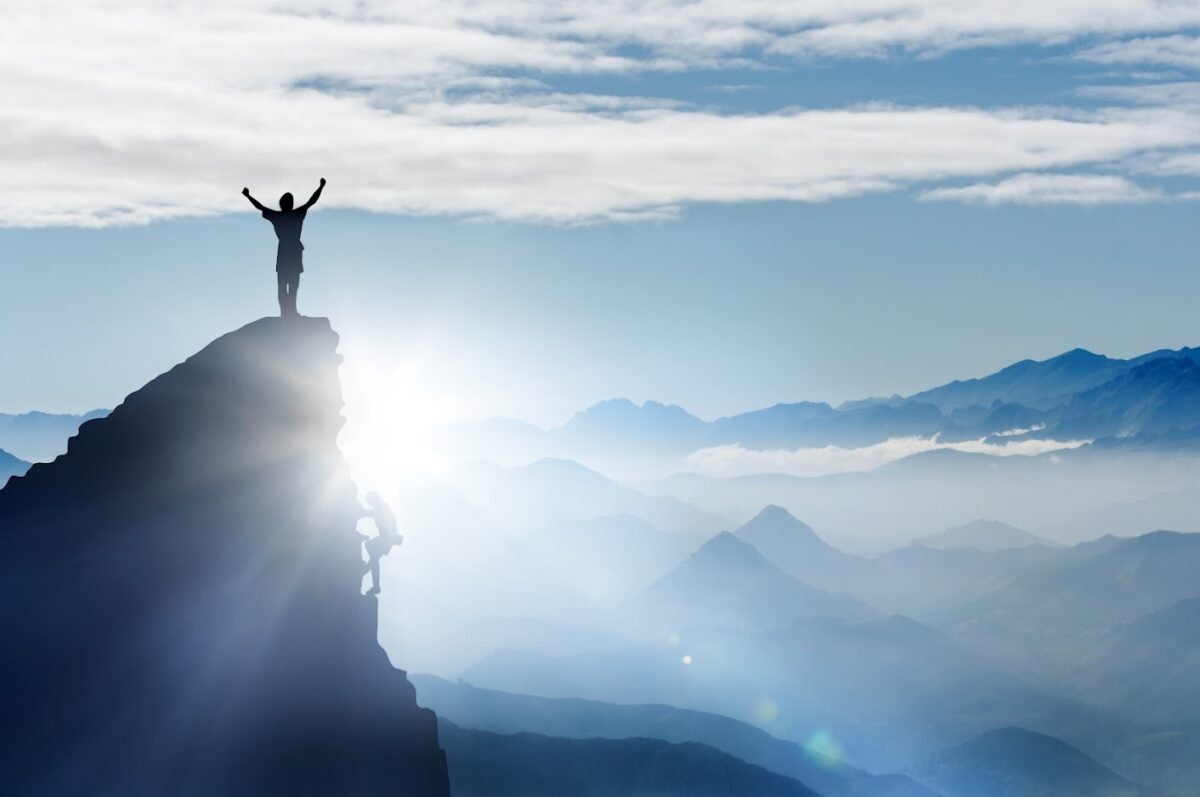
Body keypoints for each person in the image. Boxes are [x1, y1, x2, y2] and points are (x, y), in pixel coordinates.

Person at [242, 178, 326, 317]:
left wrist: (248, 196)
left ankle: (289, 311)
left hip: (288, 251)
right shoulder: (292, 214)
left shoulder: (279, 216)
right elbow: (312, 201)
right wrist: (321, 187)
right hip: (291, 251)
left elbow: (260, 207)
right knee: (290, 284)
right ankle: (288, 311)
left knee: (287, 284)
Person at [361, 491, 403, 596]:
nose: (369, 503)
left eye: (369, 501)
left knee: (370, 547)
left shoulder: (382, 506)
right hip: (387, 538)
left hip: (387, 537)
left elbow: (392, 520)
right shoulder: (379, 507)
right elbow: (371, 513)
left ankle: (371, 577)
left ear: (373, 498)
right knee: (374, 557)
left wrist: (393, 537)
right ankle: (372, 580)